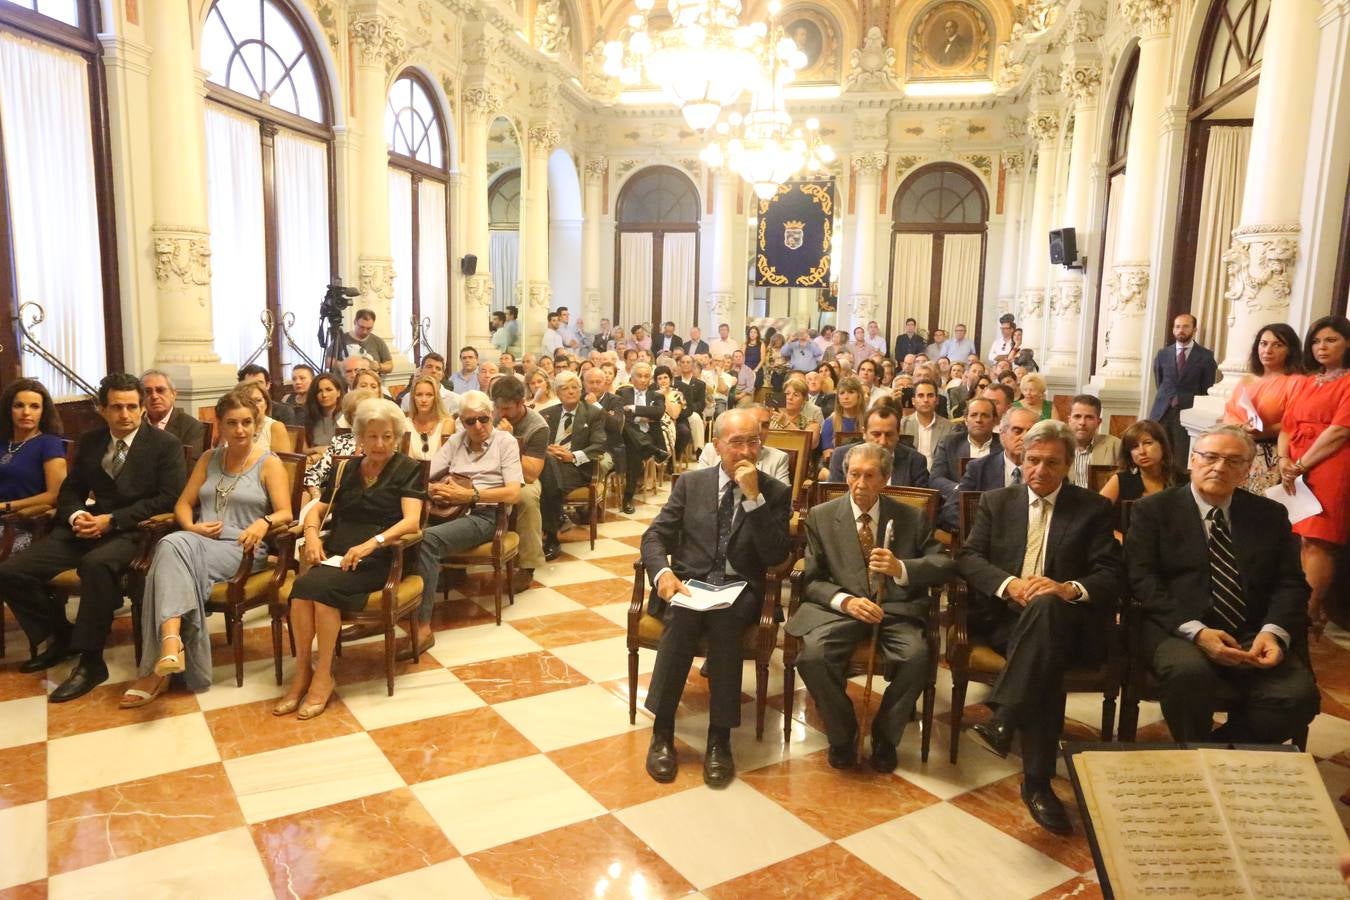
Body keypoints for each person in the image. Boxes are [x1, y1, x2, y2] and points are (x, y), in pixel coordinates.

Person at [957, 419, 1122, 834]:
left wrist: (1066, 589)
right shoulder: (998, 502)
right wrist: (1009, 585)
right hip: (1006, 621)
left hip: (1070, 623)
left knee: (1047, 615)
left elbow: (1111, 574)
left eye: (1052, 462)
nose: (1040, 470)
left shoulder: (1093, 509)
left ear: (1068, 465)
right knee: (1043, 660)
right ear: (1020, 458)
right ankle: (1037, 784)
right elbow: (969, 558)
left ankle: (1005, 718)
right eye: (1033, 460)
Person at [1126, 425, 1320, 744]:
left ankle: (1212, 753)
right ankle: (1198, 754)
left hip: (1252, 631)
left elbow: (1291, 583)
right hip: (1179, 629)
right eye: (1210, 457)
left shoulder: (1269, 515)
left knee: (1296, 698)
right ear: (1193, 460)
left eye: (1232, 461)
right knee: (1188, 674)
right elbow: (1142, 580)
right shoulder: (1154, 511)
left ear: (1246, 471)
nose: (1219, 467)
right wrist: (1198, 633)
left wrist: (1273, 631)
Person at [0, 374, 186, 702]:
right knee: (11, 571)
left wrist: (111, 520)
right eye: (116, 407)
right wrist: (76, 515)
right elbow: (71, 489)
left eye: (132, 407)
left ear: (143, 409)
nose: (125, 414)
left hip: (134, 532)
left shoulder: (164, 445)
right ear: (102, 409)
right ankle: (61, 636)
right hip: (84, 528)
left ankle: (90, 661)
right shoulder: (91, 441)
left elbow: (168, 498)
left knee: (95, 564)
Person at [640, 408, 792, 787]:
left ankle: (719, 738)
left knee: (726, 622)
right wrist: (662, 573)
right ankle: (662, 732)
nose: (745, 451)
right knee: (681, 617)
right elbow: (654, 536)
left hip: (739, 588)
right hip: (692, 583)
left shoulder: (774, 491)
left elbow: (775, 555)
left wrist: (754, 499)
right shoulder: (692, 484)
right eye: (735, 442)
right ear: (717, 444)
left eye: (752, 442)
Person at [120, 391, 292, 706]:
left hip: (242, 547)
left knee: (169, 547)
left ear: (255, 425)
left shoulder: (270, 463)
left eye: (246, 423)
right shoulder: (208, 459)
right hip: (199, 540)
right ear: (219, 425)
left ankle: (164, 655)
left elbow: (286, 513)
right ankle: (171, 651)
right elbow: (183, 505)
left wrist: (264, 522)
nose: (240, 430)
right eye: (232, 423)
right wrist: (191, 527)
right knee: (174, 545)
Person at [790, 442, 953, 770]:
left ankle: (885, 736)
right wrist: (846, 601)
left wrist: (902, 569)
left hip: (895, 610)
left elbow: (943, 563)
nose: (860, 484)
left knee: (918, 657)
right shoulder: (822, 517)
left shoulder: (910, 516)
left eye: (869, 476)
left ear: (885, 479)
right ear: (845, 475)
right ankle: (842, 733)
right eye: (853, 475)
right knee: (812, 656)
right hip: (840, 610)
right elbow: (813, 579)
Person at [282, 399, 423, 718]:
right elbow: (318, 508)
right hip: (338, 556)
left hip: (379, 560)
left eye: (387, 436)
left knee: (312, 587)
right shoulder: (345, 468)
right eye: (372, 436)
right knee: (305, 591)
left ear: (397, 436)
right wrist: (313, 535)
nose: (380, 444)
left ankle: (321, 676)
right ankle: (305, 671)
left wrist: (371, 544)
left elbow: (411, 521)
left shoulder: (407, 469)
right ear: (360, 436)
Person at [410, 391, 522, 653]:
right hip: (450, 509)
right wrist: (435, 488)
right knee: (406, 534)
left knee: (427, 540)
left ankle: (423, 627)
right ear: (461, 421)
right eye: (470, 421)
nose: (478, 426)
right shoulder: (456, 441)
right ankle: (397, 610)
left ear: (492, 414)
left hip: (486, 514)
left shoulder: (505, 442)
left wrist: (470, 494)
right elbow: (423, 477)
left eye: (483, 419)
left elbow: (513, 493)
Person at [1277, 315, 1350, 635]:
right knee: (1298, 540)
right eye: (1317, 341)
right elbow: (1287, 425)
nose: (1322, 347)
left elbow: (1338, 432)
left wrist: (1301, 464)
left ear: (1347, 343)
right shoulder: (1307, 381)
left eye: (1331, 340)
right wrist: (1283, 459)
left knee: (1317, 540)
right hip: (1295, 464)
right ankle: (1302, 611)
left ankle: (1306, 614)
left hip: (1330, 463)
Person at [1219, 323, 1304, 494]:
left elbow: (1294, 422)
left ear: (1290, 350)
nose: (1268, 350)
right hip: (1237, 449)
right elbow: (1229, 415)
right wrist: (1243, 428)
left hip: (1271, 455)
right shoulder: (1247, 380)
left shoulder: (1296, 381)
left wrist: (1262, 431)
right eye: (1263, 343)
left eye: (1277, 345)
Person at [488, 376, 549, 583]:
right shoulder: (490, 417)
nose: (501, 413)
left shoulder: (537, 426)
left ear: (520, 403)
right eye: (498, 408)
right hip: (490, 473)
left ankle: (528, 565)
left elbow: (532, 473)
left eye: (506, 408)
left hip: (524, 478)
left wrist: (510, 441)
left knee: (526, 499)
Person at [938, 406, 1037, 531]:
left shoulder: (1046, 472)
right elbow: (951, 511)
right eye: (1017, 431)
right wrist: (987, 532)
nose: (1025, 437)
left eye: (1031, 432)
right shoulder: (979, 468)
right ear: (1003, 434)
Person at [539, 372, 606, 554]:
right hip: (548, 466)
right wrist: (546, 450)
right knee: (547, 468)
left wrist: (572, 456)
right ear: (557, 393)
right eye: (564, 388)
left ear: (581, 390)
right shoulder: (546, 414)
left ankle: (552, 537)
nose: (570, 392)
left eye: (574, 387)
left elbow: (599, 446)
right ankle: (556, 520)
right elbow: (535, 442)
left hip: (577, 468)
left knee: (545, 480)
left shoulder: (593, 413)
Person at [0, 379, 67, 555]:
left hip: (21, 526)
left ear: (43, 411)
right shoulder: (2, 443)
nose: (26, 412)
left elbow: (55, 495)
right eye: (19, 405)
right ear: (9, 409)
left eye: (34, 406)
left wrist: (6, 506)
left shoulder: (49, 443)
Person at [1150, 313, 1219, 459]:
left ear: (1194, 329)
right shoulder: (1163, 354)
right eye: (1177, 326)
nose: (1181, 330)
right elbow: (1159, 380)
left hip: (1188, 411)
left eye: (1186, 326)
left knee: (1180, 456)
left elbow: (1206, 389)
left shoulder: (1206, 356)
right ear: (1173, 330)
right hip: (1162, 411)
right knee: (1157, 453)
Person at [823, 403, 929, 488]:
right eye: (876, 434)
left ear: (898, 434)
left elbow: (921, 506)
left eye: (889, 434)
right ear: (864, 433)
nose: (882, 441)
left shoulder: (916, 461)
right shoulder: (841, 456)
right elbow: (833, 499)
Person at [303, 389, 377, 502]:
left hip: (373, 502)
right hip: (337, 503)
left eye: (368, 414)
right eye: (358, 415)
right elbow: (314, 473)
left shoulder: (382, 444)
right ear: (350, 417)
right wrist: (315, 495)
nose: (364, 419)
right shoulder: (340, 442)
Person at [1099, 419, 1182, 512]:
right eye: (1135, 446)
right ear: (1129, 453)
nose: (1142, 451)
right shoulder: (1121, 480)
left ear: (1162, 445)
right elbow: (1094, 514)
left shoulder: (1182, 480)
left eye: (1148, 443)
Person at [618, 361, 668, 514]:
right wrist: (642, 417)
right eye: (639, 376)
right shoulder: (623, 394)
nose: (643, 379)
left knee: (634, 450)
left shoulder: (656, 395)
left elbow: (658, 413)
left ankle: (628, 497)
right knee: (627, 429)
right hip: (627, 438)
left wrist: (633, 409)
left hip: (649, 437)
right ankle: (653, 450)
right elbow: (621, 415)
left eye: (646, 376)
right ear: (632, 378)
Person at [930, 396, 1000, 494]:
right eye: (974, 415)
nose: (979, 420)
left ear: (995, 420)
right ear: (966, 420)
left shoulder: (1003, 446)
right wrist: (961, 489)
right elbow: (935, 479)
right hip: (957, 503)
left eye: (985, 415)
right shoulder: (949, 443)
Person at [1066, 394, 1121, 489]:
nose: (1082, 423)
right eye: (1077, 416)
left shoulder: (1115, 446)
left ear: (1098, 422)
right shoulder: (1058, 447)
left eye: (1089, 417)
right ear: (1069, 420)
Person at [141, 370, 206, 450]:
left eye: (160, 390)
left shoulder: (191, 427)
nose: (154, 396)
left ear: (173, 394)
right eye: (147, 391)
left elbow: (189, 461)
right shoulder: (134, 423)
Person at [900, 379, 953, 468]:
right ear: (913, 401)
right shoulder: (902, 425)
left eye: (930, 395)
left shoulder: (950, 428)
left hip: (937, 477)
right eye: (921, 396)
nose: (925, 400)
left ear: (937, 400)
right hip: (909, 478)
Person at [405, 376, 456, 462]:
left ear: (436, 398)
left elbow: (445, 460)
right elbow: (406, 461)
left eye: (429, 395)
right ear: (413, 398)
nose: (424, 400)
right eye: (419, 395)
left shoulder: (447, 423)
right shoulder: (405, 424)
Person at [232, 381, 293, 453]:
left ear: (266, 403)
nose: (255, 406)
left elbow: (284, 463)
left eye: (258, 400)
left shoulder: (275, 427)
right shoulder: (231, 426)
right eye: (249, 402)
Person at [401, 352, 461, 417]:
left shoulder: (454, 399)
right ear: (421, 370)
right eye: (429, 367)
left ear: (442, 375)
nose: (433, 371)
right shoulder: (408, 398)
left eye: (438, 368)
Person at [771, 376, 823, 449]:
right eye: (787, 393)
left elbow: (809, 444)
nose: (790, 397)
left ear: (804, 400)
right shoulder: (770, 418)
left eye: (796, 395)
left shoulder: (812, 424)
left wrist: (786, 423)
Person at [820, 375, 865, 459]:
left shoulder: (868, 421)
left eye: (851, 392)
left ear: (859, 395)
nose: (846, 397)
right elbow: (828, 456)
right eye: (842, 393)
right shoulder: (830, 422)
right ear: (838, 398)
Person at [338, 308, 393, 374]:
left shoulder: (378, 341)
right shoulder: (340, 339)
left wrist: (379, 366)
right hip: (346, 383)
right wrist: (347, 365)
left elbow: (390, 365)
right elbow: (328, 362)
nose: (365, 331)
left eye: (369, 328)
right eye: (361, 327)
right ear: (355, 322)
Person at [303, 373, 345, 458]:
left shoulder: (347, 416)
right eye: (319, 391)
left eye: (329, 390)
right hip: (313, 461)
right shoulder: (310, 418)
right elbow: (302, 450)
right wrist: (316, 449)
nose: (324, 395)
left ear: (338, 393)